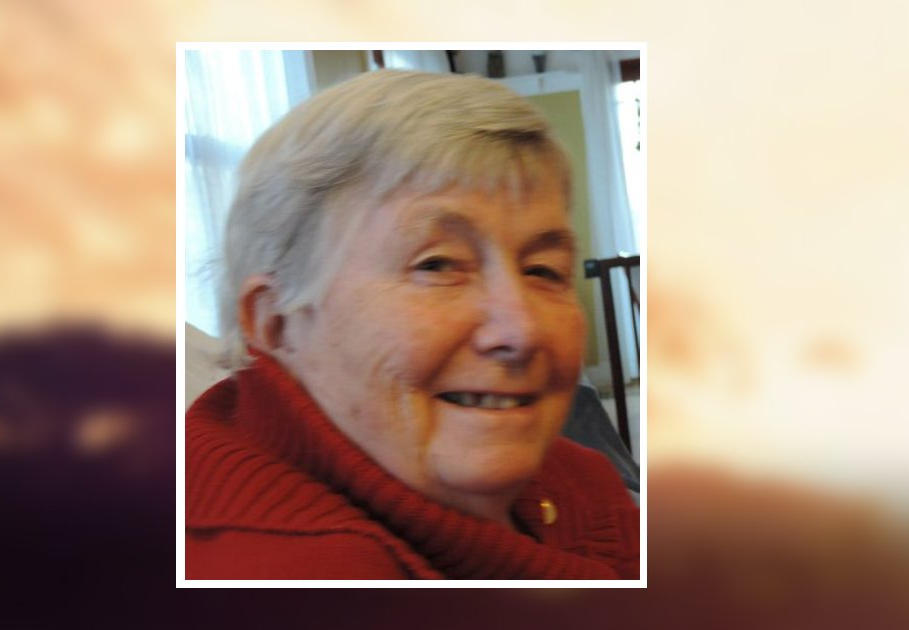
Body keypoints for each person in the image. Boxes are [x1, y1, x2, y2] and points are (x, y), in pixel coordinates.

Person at [186, 69, 639, 579]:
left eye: (543, 270)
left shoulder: (576, 476)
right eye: (438, 265)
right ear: (276, 323)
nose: (522, 331)